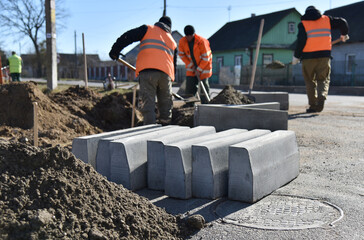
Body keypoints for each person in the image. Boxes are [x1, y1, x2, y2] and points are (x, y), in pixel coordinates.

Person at [109, 16, 177, 125]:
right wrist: (171, 79)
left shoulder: (148, 29)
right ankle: (166, 130)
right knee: (166, 105)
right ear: (170, 27)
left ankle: (149, 132)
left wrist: (115, 50)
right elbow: (174, 64)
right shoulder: (172, 40)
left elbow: (128, 36)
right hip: (166, 75)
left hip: (148, 73)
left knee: (148, 104)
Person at [292, 6, 349, 113]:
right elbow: (342, 22)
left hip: (308, 58)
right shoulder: (326, 20)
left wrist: (296, 56)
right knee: (323, 79)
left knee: (310, 81)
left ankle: (313, 105)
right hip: (324, 56)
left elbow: (301, 41)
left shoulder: (303, 24)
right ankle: (322, 96)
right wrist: (344, 34)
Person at [178, 25, 212, 104]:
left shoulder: (202, 41)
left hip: (204, 68)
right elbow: (182, 55)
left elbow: (206, 58)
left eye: (191, 35)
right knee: (190, 87)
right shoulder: (182, 42)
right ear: (185, 35)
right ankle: (189, 105)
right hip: (192, 68)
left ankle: (206, 104)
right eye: (187, 36)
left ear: (194, 34)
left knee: (204, 87)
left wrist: (199, 69)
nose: (189, 37)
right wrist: (191, 65)